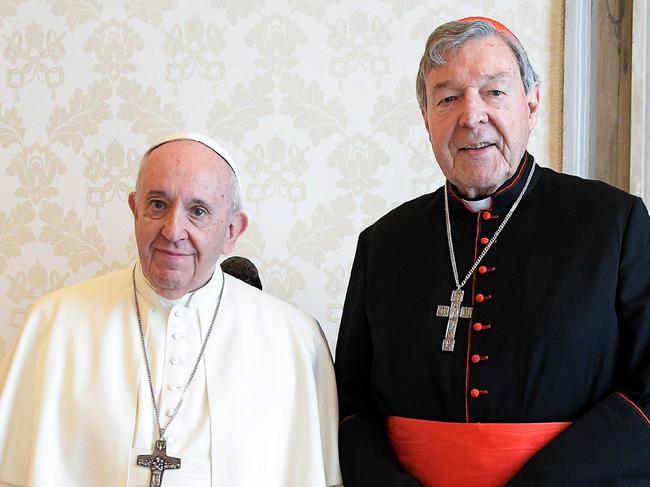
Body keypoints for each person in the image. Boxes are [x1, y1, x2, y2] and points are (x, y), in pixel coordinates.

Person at [335, 17, 650, 487]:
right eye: (447, 97)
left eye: (493, 91)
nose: (471, 115)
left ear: (532, 102)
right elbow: (351, 407)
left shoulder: (614, 223)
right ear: (427, 121)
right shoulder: (383, 243)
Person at [0, 133, 342, 487]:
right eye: (158, 204)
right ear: (135, 210)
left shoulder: (294, 341)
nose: (173, 230)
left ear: (231, 231)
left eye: (198, 211)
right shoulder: (54, 323)